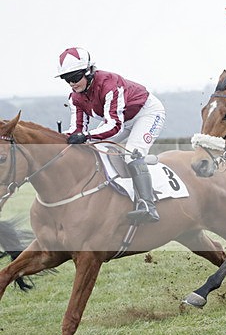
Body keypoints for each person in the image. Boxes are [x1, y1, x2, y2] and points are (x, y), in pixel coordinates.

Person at [57, 47, 166, 223]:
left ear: (89, 71)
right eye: (66, 79)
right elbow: (76, 129)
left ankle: (148, 205)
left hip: (146, 113)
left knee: (132, 153)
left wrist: (85, 136)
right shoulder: (75, 97)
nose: (72, 83)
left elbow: (114, 126)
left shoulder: (109, 85)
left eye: (75, 77)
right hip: (121, 119)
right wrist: (58, 139)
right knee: (93, 148)